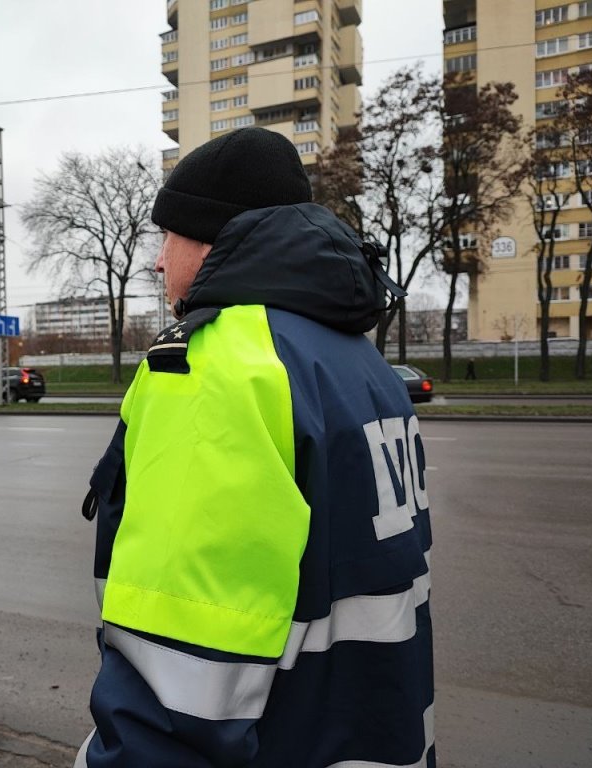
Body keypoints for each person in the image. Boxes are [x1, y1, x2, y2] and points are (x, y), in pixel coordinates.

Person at [77, 127, 434, 768]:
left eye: (168, 236)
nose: (158, 261)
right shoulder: (362, 364)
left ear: (212, 240)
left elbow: (181, 677)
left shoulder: (214, 367)